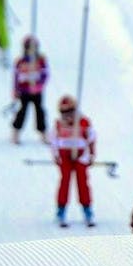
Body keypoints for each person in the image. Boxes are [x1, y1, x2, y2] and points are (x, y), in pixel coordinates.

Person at [49, 95, 96, 228]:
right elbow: (53, 141)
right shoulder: (59, 124)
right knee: (65, 181)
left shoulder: (84, 122)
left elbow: (91, 138)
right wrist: (55, 155)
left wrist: (90, 155)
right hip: (65, 156)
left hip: (80, 156)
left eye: (70, 112)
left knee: (82, 182)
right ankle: (61, 210)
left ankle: (87, 210)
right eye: (63, 113)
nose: (67, 116)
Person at [12, 36, 48, 144]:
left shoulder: (41, 60)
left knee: (40, 111)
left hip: (37, 91)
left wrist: (39, 85)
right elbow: (16, 77)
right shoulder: (20, 61)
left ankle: (43, 133)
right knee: (22, 111)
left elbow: (45, 74)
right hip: (24, 91)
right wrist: (16, 90)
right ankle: (16, 132)